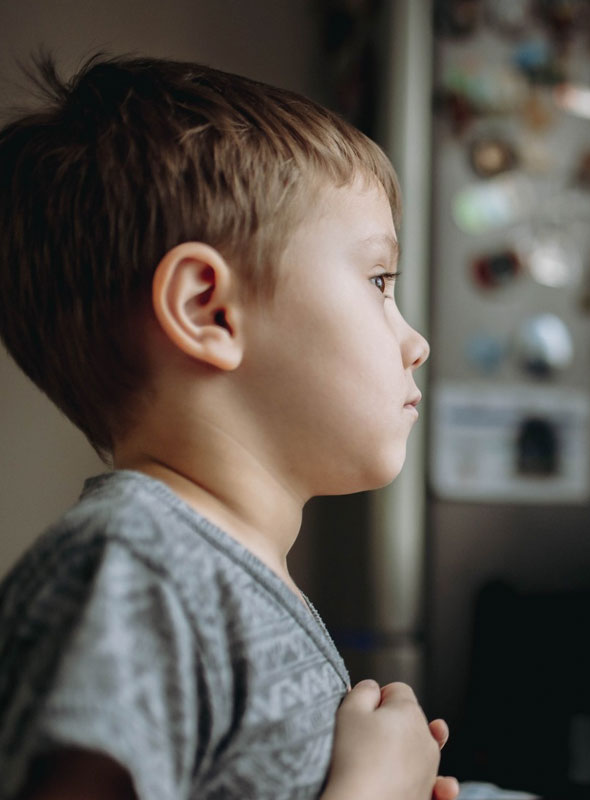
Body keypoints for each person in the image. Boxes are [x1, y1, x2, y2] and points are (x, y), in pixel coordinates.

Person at [0, 54, 453, 800]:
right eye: (379, 282)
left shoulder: (206, 573)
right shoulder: (138, 567)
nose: (416, 342)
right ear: (208, 310)